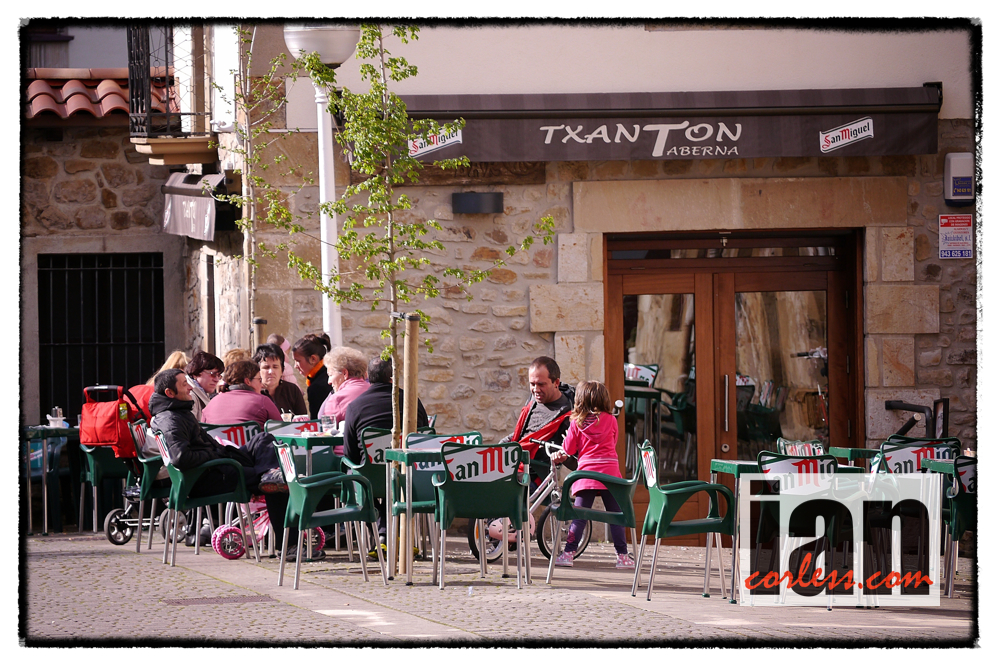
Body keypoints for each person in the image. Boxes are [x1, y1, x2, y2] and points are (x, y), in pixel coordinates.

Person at [148, 369, 300, 555]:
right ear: (170, 393)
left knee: (263, 439)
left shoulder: (177, 412)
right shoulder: (171, 419)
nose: (190, 387)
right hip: (209, 476)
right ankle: (290, 547)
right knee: (277, 485)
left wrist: (216, 453)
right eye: (184, 384)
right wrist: (212, 455)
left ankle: (268, 474)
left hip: (218, 465)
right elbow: (181, 458)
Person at [550, 380, 635, 570]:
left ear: (579, 400)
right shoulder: (611, 420)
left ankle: (568, 554)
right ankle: (622, 556)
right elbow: (613, 442)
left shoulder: (576, 423)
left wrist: (564, 447)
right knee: (616, 515)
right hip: (610, 475)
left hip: (586, 475)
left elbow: (568, 450)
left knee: (579, 516)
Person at [342, 357, 428, 540]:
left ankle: (380, 534)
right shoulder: (412, 402)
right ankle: (390, 532)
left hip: (371, 479)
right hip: (409, 476)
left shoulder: (355, 407)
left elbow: (350, 454)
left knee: (359, 476)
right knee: (392, 484)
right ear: (393, 376)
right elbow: (424, 439)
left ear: (367, 375)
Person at [499, 356, 576, 466]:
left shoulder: (569, 415)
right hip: (514, 461)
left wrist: (563, 458)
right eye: (532, 384)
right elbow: (522, 435)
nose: (536, 390)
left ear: (556, 383)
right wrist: (499, 447)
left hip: (535, 471)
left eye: (541, 384)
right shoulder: (533, 400)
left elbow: (576, 461)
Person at [201, 360, 281, 428]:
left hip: (216, 442)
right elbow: (281, 430)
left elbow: (202, 433)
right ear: (248, 381)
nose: (262, 385)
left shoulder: (211, 404)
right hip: (250, 442)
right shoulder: (263, 401)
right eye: (259, 380)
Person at [317, 346, 369, 425]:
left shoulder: (337, 399)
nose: (329, 382)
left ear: (345, 373)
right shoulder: (375, 391)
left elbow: (325, 426)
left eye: (330, 375)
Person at [254, 343, 308, 417]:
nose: (271, 372)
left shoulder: (292, 391)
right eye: (266, 367)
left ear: (282, 370)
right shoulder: (253, 393)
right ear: (258, 370)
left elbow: (302, 420)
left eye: (275, 367)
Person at [291, 333, 332, 419]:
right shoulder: (329, 373)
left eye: (298, 361)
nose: (295, 366)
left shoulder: (318, 387)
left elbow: (317, 422)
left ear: (313, 359)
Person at [184, 351, 225, 421]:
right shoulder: (190, 395)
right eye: (213, 374)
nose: (216, 380)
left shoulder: (198, 392)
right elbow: (189, 426)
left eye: (219, 376)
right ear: (196, 373)